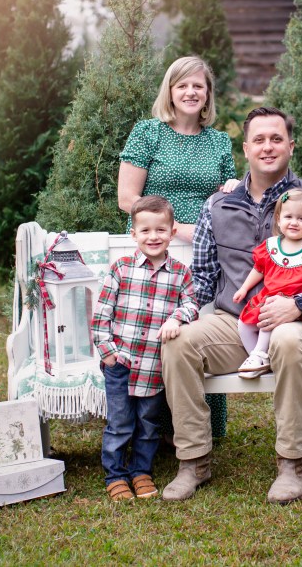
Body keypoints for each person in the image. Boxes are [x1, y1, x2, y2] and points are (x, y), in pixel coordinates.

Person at [161, 107, 302, 504]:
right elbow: (203, 277)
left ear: (291, 147)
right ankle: (194, 460)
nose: (268, 147)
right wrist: (181, 314)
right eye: (259, 140)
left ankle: (292, 464)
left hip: (293, 321)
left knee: (287, 340)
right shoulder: (218, 206)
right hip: (236, 322)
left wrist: (299, 305)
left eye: (276, 139)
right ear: (246, 148)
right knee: (179, 344)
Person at [117, 56, 237, 440]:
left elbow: (227, 200)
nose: (190, 92)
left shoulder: (219, 141)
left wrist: (231, 192)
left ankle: (199, 427)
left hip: (204, 252)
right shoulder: (148, 133)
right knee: (155, 329)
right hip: (156, 246)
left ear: (208, 94)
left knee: (198, 327)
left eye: (198, 86)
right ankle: (147, 428)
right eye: (182, 85)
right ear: (169, 91)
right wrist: (175, 230)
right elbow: (127, 197)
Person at [91, 196, 199, 501]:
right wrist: (108, 354)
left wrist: (177, 317)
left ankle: (141, 472)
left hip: (154, 365)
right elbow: (101, 315)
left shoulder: (180, 273)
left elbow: (192, 305)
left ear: (172, 232)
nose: (153, 237)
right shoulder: (121, 269)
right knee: (120, 423)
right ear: (134, 234)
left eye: (160, 230)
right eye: (146, 230)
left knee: (149, 424)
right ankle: (115, 475)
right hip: (121, 364)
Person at [233, 189, 302, 378]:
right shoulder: (272, 246)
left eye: (301, 219)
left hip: (294, 308)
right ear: (278, 219)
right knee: (244, 325)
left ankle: (259, 354)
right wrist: (244, 288)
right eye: (288, 217)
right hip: (269, 299)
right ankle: (260, 358)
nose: (294, 222)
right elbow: (259, 269)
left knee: (268, 321)